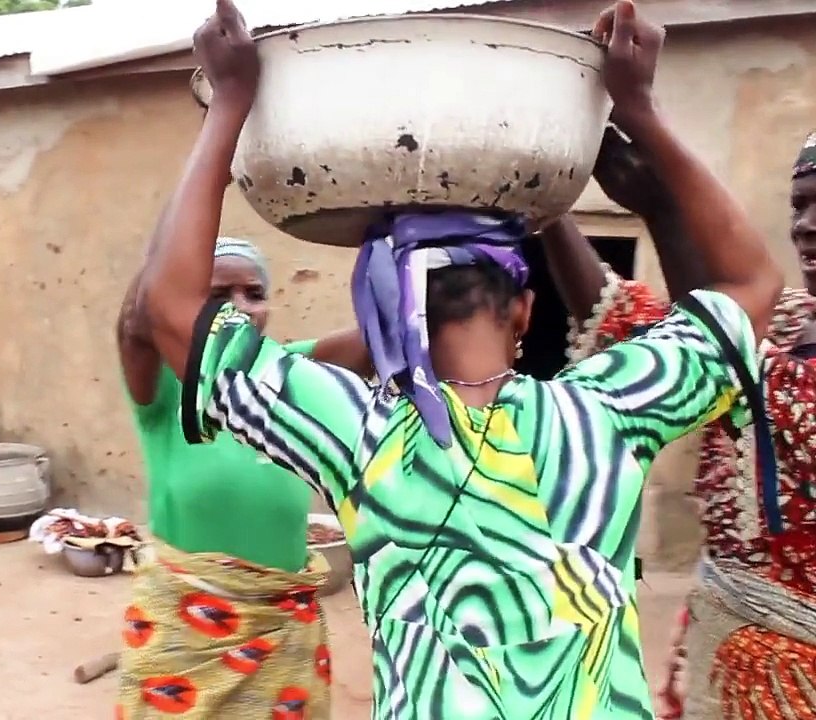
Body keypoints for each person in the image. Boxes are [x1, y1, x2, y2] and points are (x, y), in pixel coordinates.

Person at [134, 0, 784, 718]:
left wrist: (228, 105)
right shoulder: (608, 410)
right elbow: (751, 283)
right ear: (524, 311)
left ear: (382, 314)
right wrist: (644, 110)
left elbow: (167, 307)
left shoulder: (357, 435)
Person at [541, 122, 816, 719]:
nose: (807, 226)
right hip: (715, 657)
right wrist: (546, 204)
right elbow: (626, 321)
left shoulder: (762, 339)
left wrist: (665, 207)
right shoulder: (785, 319)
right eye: (800, 204)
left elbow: (720, 351)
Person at [115, 191, 370, 717]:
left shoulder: (287, 376)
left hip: (282, 624)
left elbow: (381, 340)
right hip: (185, 629)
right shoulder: (166, 386)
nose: (238, 306)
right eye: (216, 293)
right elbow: (139, 314)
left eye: (252, 293)